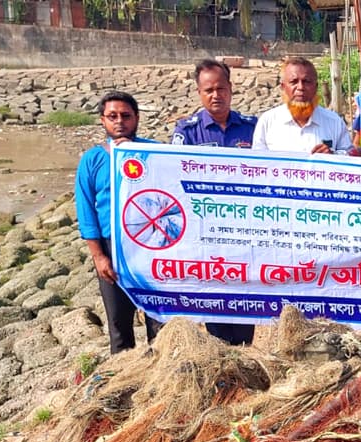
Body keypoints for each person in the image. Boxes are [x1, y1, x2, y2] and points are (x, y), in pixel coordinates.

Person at [171, 59, 257, 346]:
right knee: (215, 314)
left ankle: (246, 367)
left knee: (246, 310)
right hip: (207, 240)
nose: (215, 95)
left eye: (221, 88)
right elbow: (174, 177)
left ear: (231, 89)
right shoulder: (188, 132)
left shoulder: (253, 129)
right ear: (199, 93)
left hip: (247, 236)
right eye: (208, 90)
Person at [75, 91, 162, 355]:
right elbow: (86, 210)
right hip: (112, 248)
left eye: (126, 115)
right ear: (102, 120)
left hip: (152, 247)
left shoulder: (156, 152)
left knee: (160, 322)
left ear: (136, 118)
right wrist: (99, 256)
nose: (119, 121)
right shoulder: (92, 160)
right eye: (112, 116)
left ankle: (160, 378)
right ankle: (124, 381)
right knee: (119, 324)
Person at [252, 56, 352, 154]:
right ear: (283, 87)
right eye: (294, 82)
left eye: (306, 82)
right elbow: (258, 163)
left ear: (316, 87)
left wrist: (332, 155)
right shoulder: (267, 122)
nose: (300, 87)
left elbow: (349, 157)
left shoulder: (334, 122)